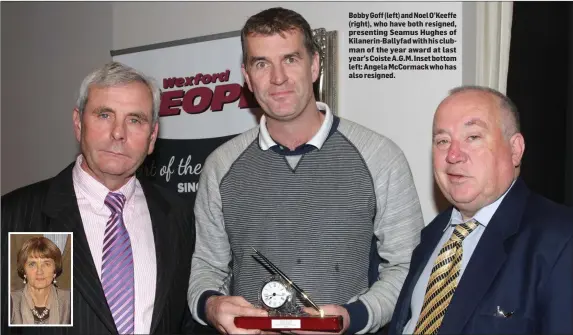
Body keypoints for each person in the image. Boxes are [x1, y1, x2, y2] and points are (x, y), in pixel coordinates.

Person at [188, 7, 424, 335]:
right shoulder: (220, 166)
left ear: (314, 65)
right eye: (261, 63)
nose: (278, 78)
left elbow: (408, 268)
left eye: (290, 59)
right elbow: (206, 266)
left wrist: (352, 317)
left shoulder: (380, 157)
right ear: (246, 76)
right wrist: (211, 305)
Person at [1, 61, 196, 334]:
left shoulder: (178, 215)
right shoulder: (17, 216)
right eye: (104, 115)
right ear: (78, 124)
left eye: (135, 120)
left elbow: (186, 322)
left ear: (152, 137)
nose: (118, 133)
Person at [388, 86, 573, 334]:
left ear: (515, 149)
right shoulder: (431, 236)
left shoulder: (560, 239)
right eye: (442, 141)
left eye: (473, 137)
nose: (453, 155)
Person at [10, 237, 71, 325]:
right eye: (32, 264)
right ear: (24, 271)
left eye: (46, 264)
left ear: (55, 270)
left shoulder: (69, 301)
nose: (39, 271)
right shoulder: (10, 301)